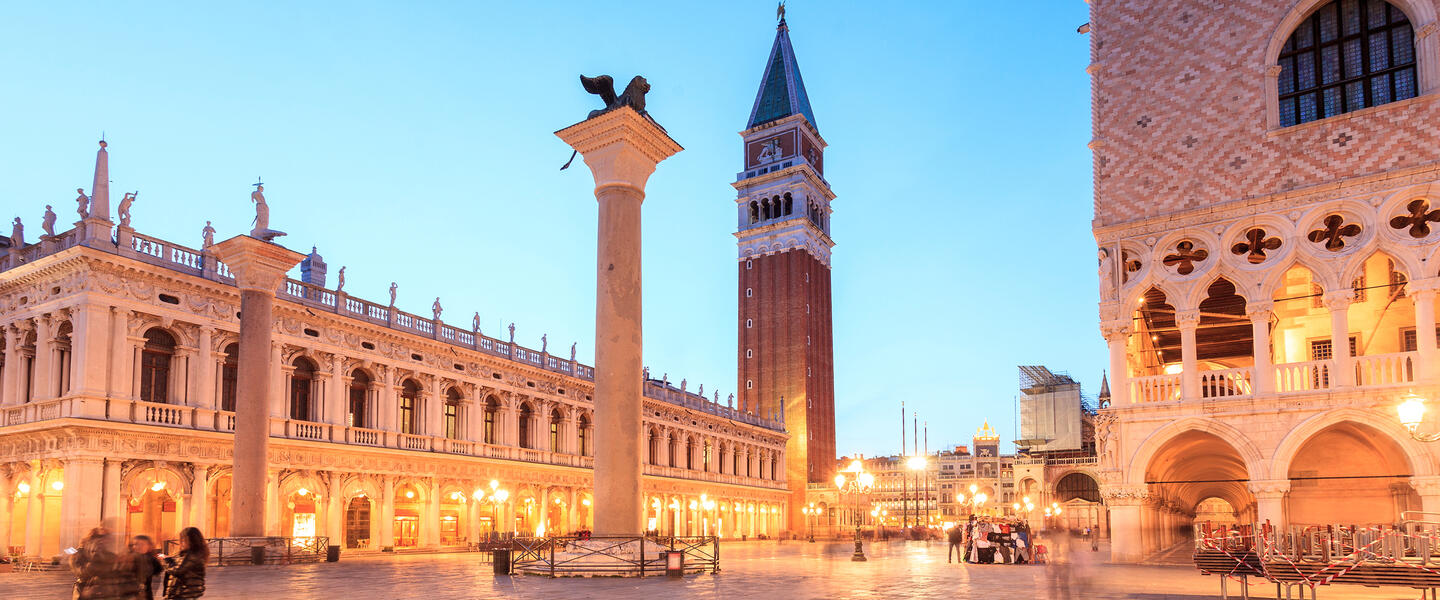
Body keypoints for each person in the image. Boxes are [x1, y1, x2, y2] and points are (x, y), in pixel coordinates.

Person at [71, 527, 139, 599]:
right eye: (100, 538)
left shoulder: (108, 554)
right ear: (91, 539)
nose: (104, 541)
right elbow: (81, 572)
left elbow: (117, 573)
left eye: (106, 537)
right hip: (85, 591)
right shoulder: (79, 552)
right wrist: (95, 558)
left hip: (104, 592)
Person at [162, 527, 207, 599]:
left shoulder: (191, 556)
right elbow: (180, 567)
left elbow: (178, 571)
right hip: (182, 594)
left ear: (192, 541)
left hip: (183, 595)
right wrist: (169, 559)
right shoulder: (188, 555)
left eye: (184, 540)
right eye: (181, 540)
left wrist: (167, 561)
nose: (181, 543)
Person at [129, 535, 163, 600]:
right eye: (136, 544)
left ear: (149, 546)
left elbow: (157, 577)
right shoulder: (128, 559)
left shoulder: (152, 560)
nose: (138, 547)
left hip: (145, 593)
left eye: (142, 544)